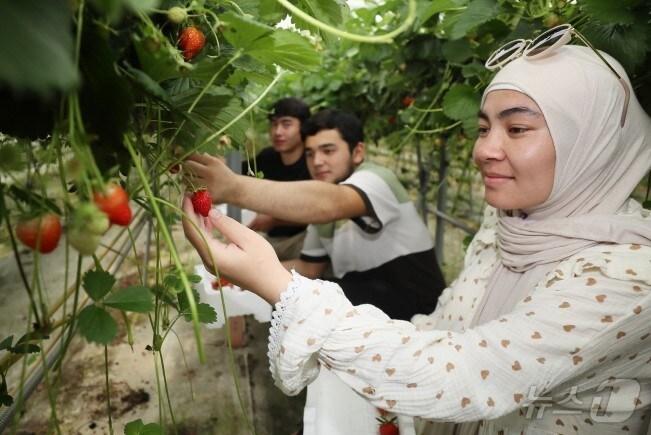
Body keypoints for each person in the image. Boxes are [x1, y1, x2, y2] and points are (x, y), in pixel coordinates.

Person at [182, 34, 651, 434]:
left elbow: (471, 376)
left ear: (592, 142)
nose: (484, 149)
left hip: (400, 311)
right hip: (404, 341)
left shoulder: (629, 274)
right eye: (484, 127)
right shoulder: (506, 225)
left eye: (519, 128)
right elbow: (447, 325)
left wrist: (239, 198)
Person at [185, 109, 446, 321]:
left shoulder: (376, 179)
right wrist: (241, 274)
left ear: (358, 152)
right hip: (375, 305)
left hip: (420, 306)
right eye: (310, 153)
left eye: (328, 151)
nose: (317, 161)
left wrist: (234, 187)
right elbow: (309, 268)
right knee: (305, 299)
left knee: (312, 307)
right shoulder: (322, 212)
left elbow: (330, 203)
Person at [242, 97, 311, 261]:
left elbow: (320, 211)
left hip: (306, 241)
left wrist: (274, 220)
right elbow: (234, 172)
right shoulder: (268, 157)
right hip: (272, 240)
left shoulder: (313, 162)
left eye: (286, 124)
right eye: (274, 124)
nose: (278, 132)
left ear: (304, 127)